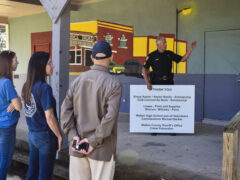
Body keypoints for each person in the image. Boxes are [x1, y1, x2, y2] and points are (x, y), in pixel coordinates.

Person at [61, 41, 122, 180]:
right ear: (111, 57)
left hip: (77, 146)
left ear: (92, 58)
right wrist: (92, 141)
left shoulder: (78, 80)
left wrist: (72, 135)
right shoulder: (114, 83)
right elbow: (110, 117)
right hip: (101, 150)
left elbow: (65, 110)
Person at [142, 37, 197, 136]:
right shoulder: (152, 56)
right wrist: (147, 83)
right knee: (157, 107)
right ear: (158, 45)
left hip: (168, 83)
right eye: (164, 43)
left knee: (169, 107)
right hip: (156, 84)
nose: (166, 44)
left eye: (166, 43)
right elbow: (144, 69)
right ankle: (155, 128)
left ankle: (171, 128)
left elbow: (183, 59)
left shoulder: (169, 54)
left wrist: (190, 50)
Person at [22, 52, 62, 180]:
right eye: (49, 63)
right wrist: (59, 135)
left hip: (32, 134)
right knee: (45, 174)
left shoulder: (27, 86)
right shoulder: (44, 88)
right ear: (41, 66)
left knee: (33, 172)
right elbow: (49, 117)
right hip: (45, 136)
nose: (53, 66)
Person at [0, 50, 22, 180]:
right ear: (8, 63)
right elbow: (19, 106)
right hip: (7, 127)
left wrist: (14, 101)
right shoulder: (6, 83)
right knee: (5, 159)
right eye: (15, 60)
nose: (17, 62)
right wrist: (17, 99)